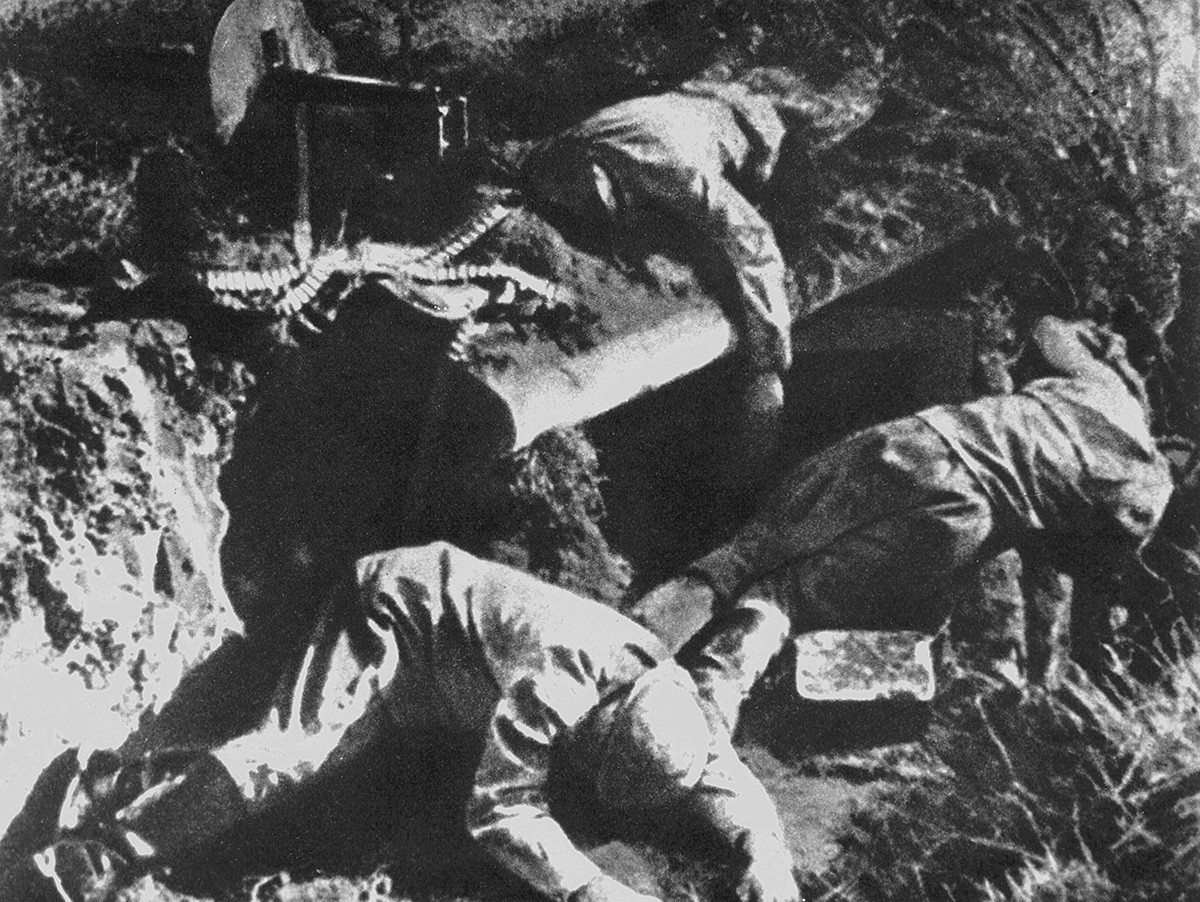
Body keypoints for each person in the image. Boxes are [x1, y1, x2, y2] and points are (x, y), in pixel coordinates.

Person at [8, 542, 799, 902]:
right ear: (591, 733)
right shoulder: (555, 686)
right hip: (393, 619)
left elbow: (721, 776)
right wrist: (592, 891)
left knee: (342, 775)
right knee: (291, 757)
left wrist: (766, 856)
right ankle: (93, 858)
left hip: (452, 672)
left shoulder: (666, 691)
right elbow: (501, 812)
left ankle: (119, 778)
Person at [630, 315, 1175, 730]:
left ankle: (621, 653)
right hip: (970, 523)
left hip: (929, 445)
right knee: (787, 599)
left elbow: (1049, 330)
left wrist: (1111, 351)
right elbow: (1061, 584)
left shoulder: (1110, 391)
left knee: (748, 555)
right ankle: (698, 716)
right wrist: (1045, 679)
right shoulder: (1141, 498)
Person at [520, 64, 880, 444]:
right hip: (665, 132)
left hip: (653, 135)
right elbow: (756, 248)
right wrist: (767, 365)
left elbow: (754, 245)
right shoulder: (657, 161)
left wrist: (767, 364)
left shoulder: (675, 143)